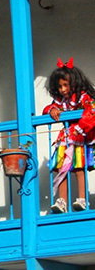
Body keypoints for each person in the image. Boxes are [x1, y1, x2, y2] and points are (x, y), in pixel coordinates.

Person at [44, 58, 95, 213]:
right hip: (65, 138)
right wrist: (51, 109)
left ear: (74, 82)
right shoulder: (60, 101)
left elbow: (92, 110)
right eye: (60, 86)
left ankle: (82, 199)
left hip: (79, 137)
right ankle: (62, 201)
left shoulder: (83, 97)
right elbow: (48, 108)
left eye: (66, 85)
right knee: (60, 167)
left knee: (79, 166)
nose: (63, 89)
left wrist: (80, 128)